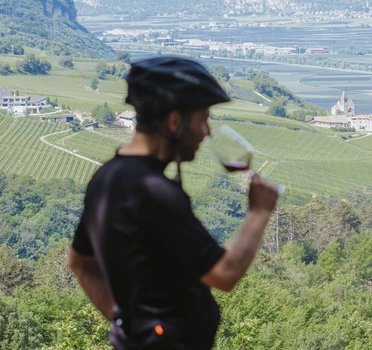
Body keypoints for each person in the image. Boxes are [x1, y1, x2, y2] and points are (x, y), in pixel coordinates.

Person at [67, 56, 280, 349]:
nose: (206, 132)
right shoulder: (153, 191)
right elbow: (225, 274)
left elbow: (80, 263)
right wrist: (258, 212)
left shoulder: (107, 177)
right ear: (174, 120)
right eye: (203, 119)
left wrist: (124, 321)